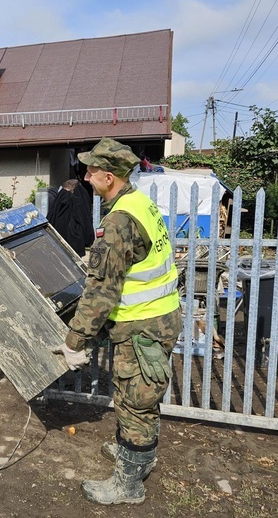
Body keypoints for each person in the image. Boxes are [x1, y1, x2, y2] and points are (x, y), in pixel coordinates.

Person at [56, 138, 181, 505]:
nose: (86, 173)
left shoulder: (118, 221)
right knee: (142, 398)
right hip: (157, 321)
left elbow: (101, 293)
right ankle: (138, 457)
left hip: (142, 328)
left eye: (92, 169)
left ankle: (128, 485)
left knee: (134, 403)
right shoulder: (138, 202)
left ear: (108, 177)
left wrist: (74, 341)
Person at [46, 179, 95, 257]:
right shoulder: (79, 199)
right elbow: (85, 220)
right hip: (74, 245)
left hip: (57, 243)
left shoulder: (61, 198)